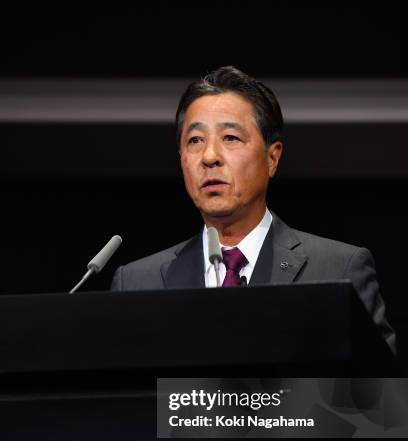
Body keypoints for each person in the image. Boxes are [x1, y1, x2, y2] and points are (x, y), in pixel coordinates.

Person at [111, 65, 396, 354]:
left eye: (230, 138)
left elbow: (379, 394)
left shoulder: (339, 269)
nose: (209, 157)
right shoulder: (136, 283)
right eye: (195, 141)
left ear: (272, 158)